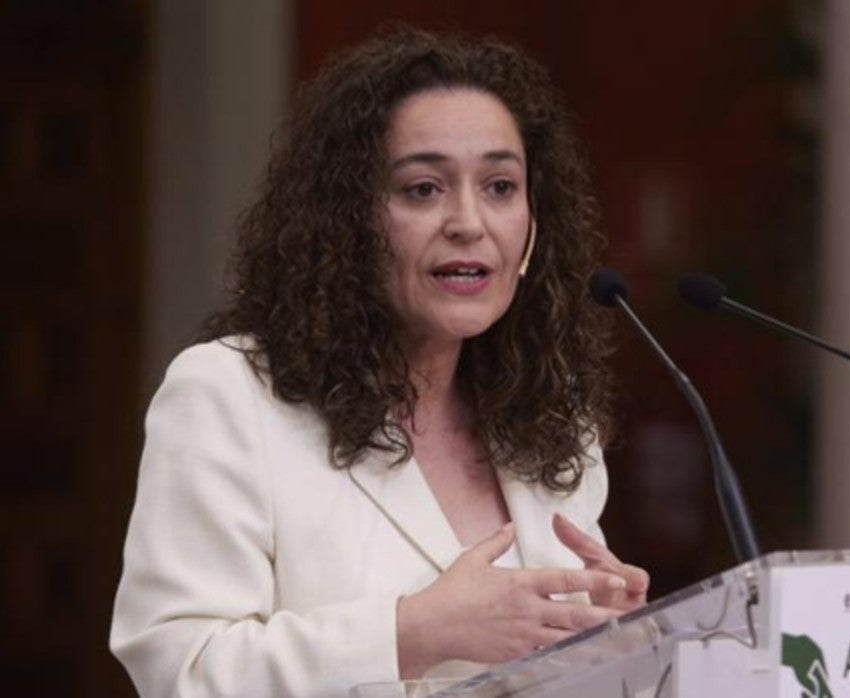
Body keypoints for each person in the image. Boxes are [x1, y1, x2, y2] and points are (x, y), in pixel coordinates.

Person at [110, 26, 648, 696]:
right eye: (423, 188)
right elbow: (179, 669)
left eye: (501, 186)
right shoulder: (228, 395)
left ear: (534, 227)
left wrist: (619, 649)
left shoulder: (552, 416)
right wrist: (412, 633)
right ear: (349, 219)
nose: (468, 221)